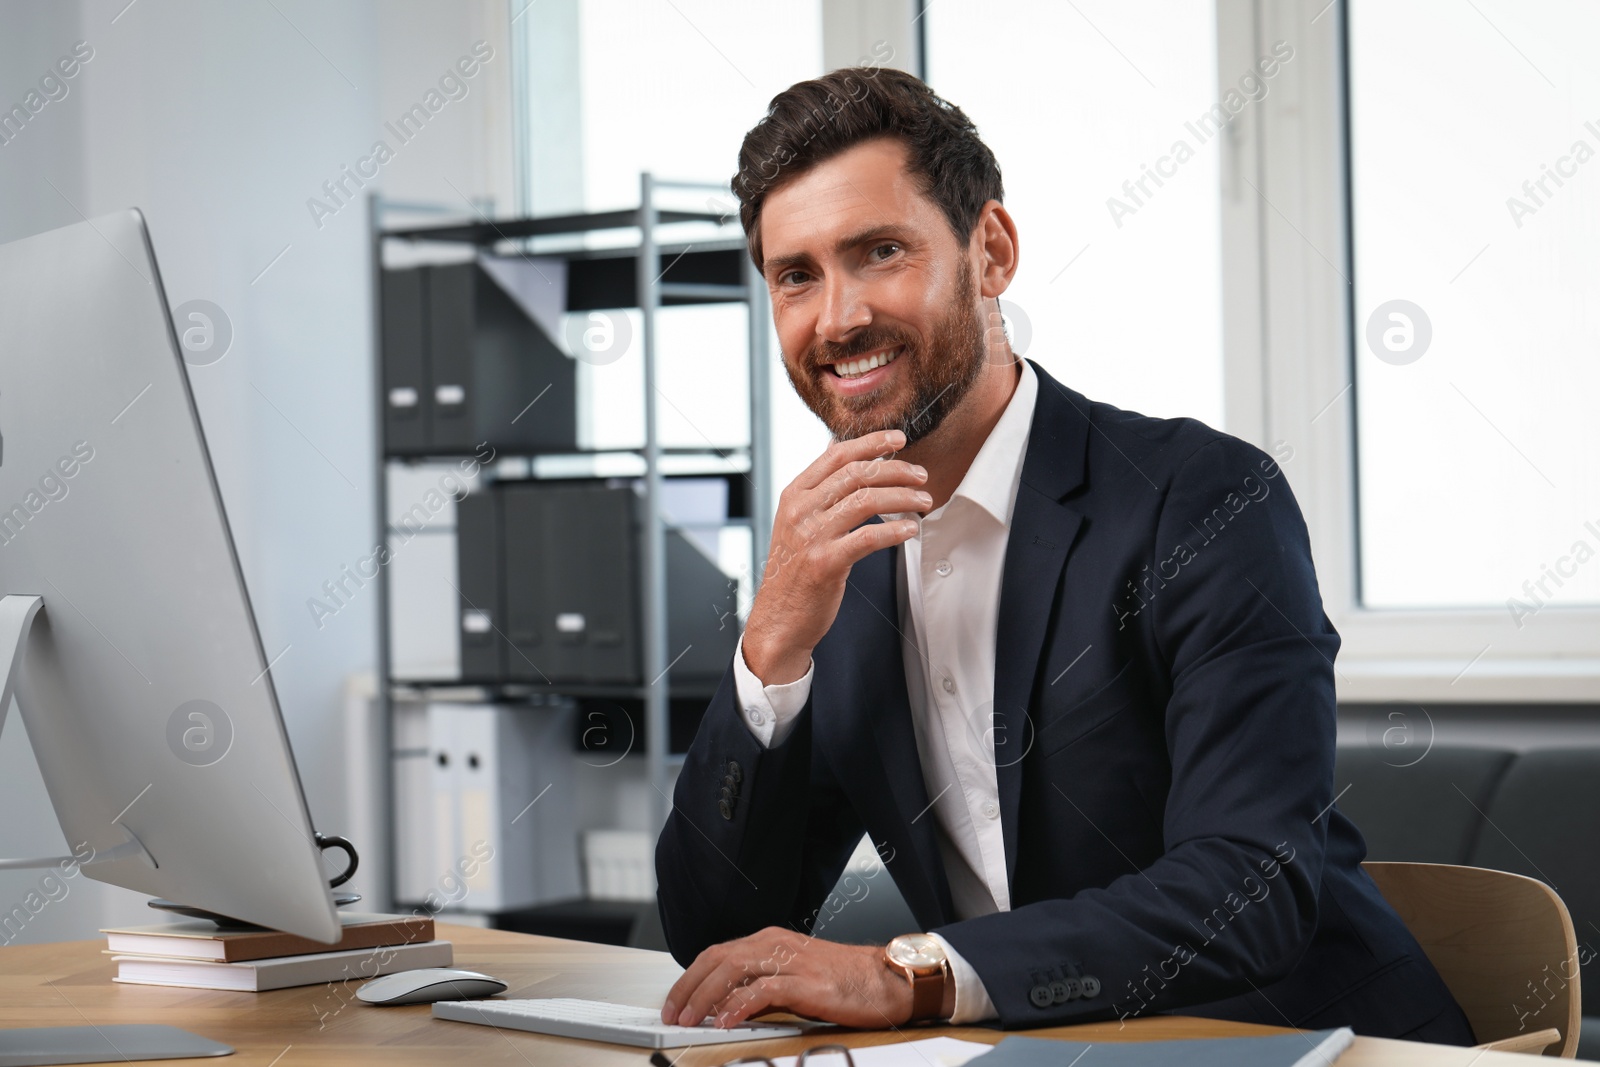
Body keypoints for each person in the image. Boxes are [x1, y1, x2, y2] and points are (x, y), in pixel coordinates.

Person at [654, 66, 1474, 1045]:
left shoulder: (1202, 500)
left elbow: (1246, 888)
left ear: (989, 251)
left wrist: (907, 971)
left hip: (1298, 1044)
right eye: (796, 275)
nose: (836, 317)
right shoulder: (838, 568)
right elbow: (718, 932)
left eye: (879, 251)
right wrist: (769, 654)